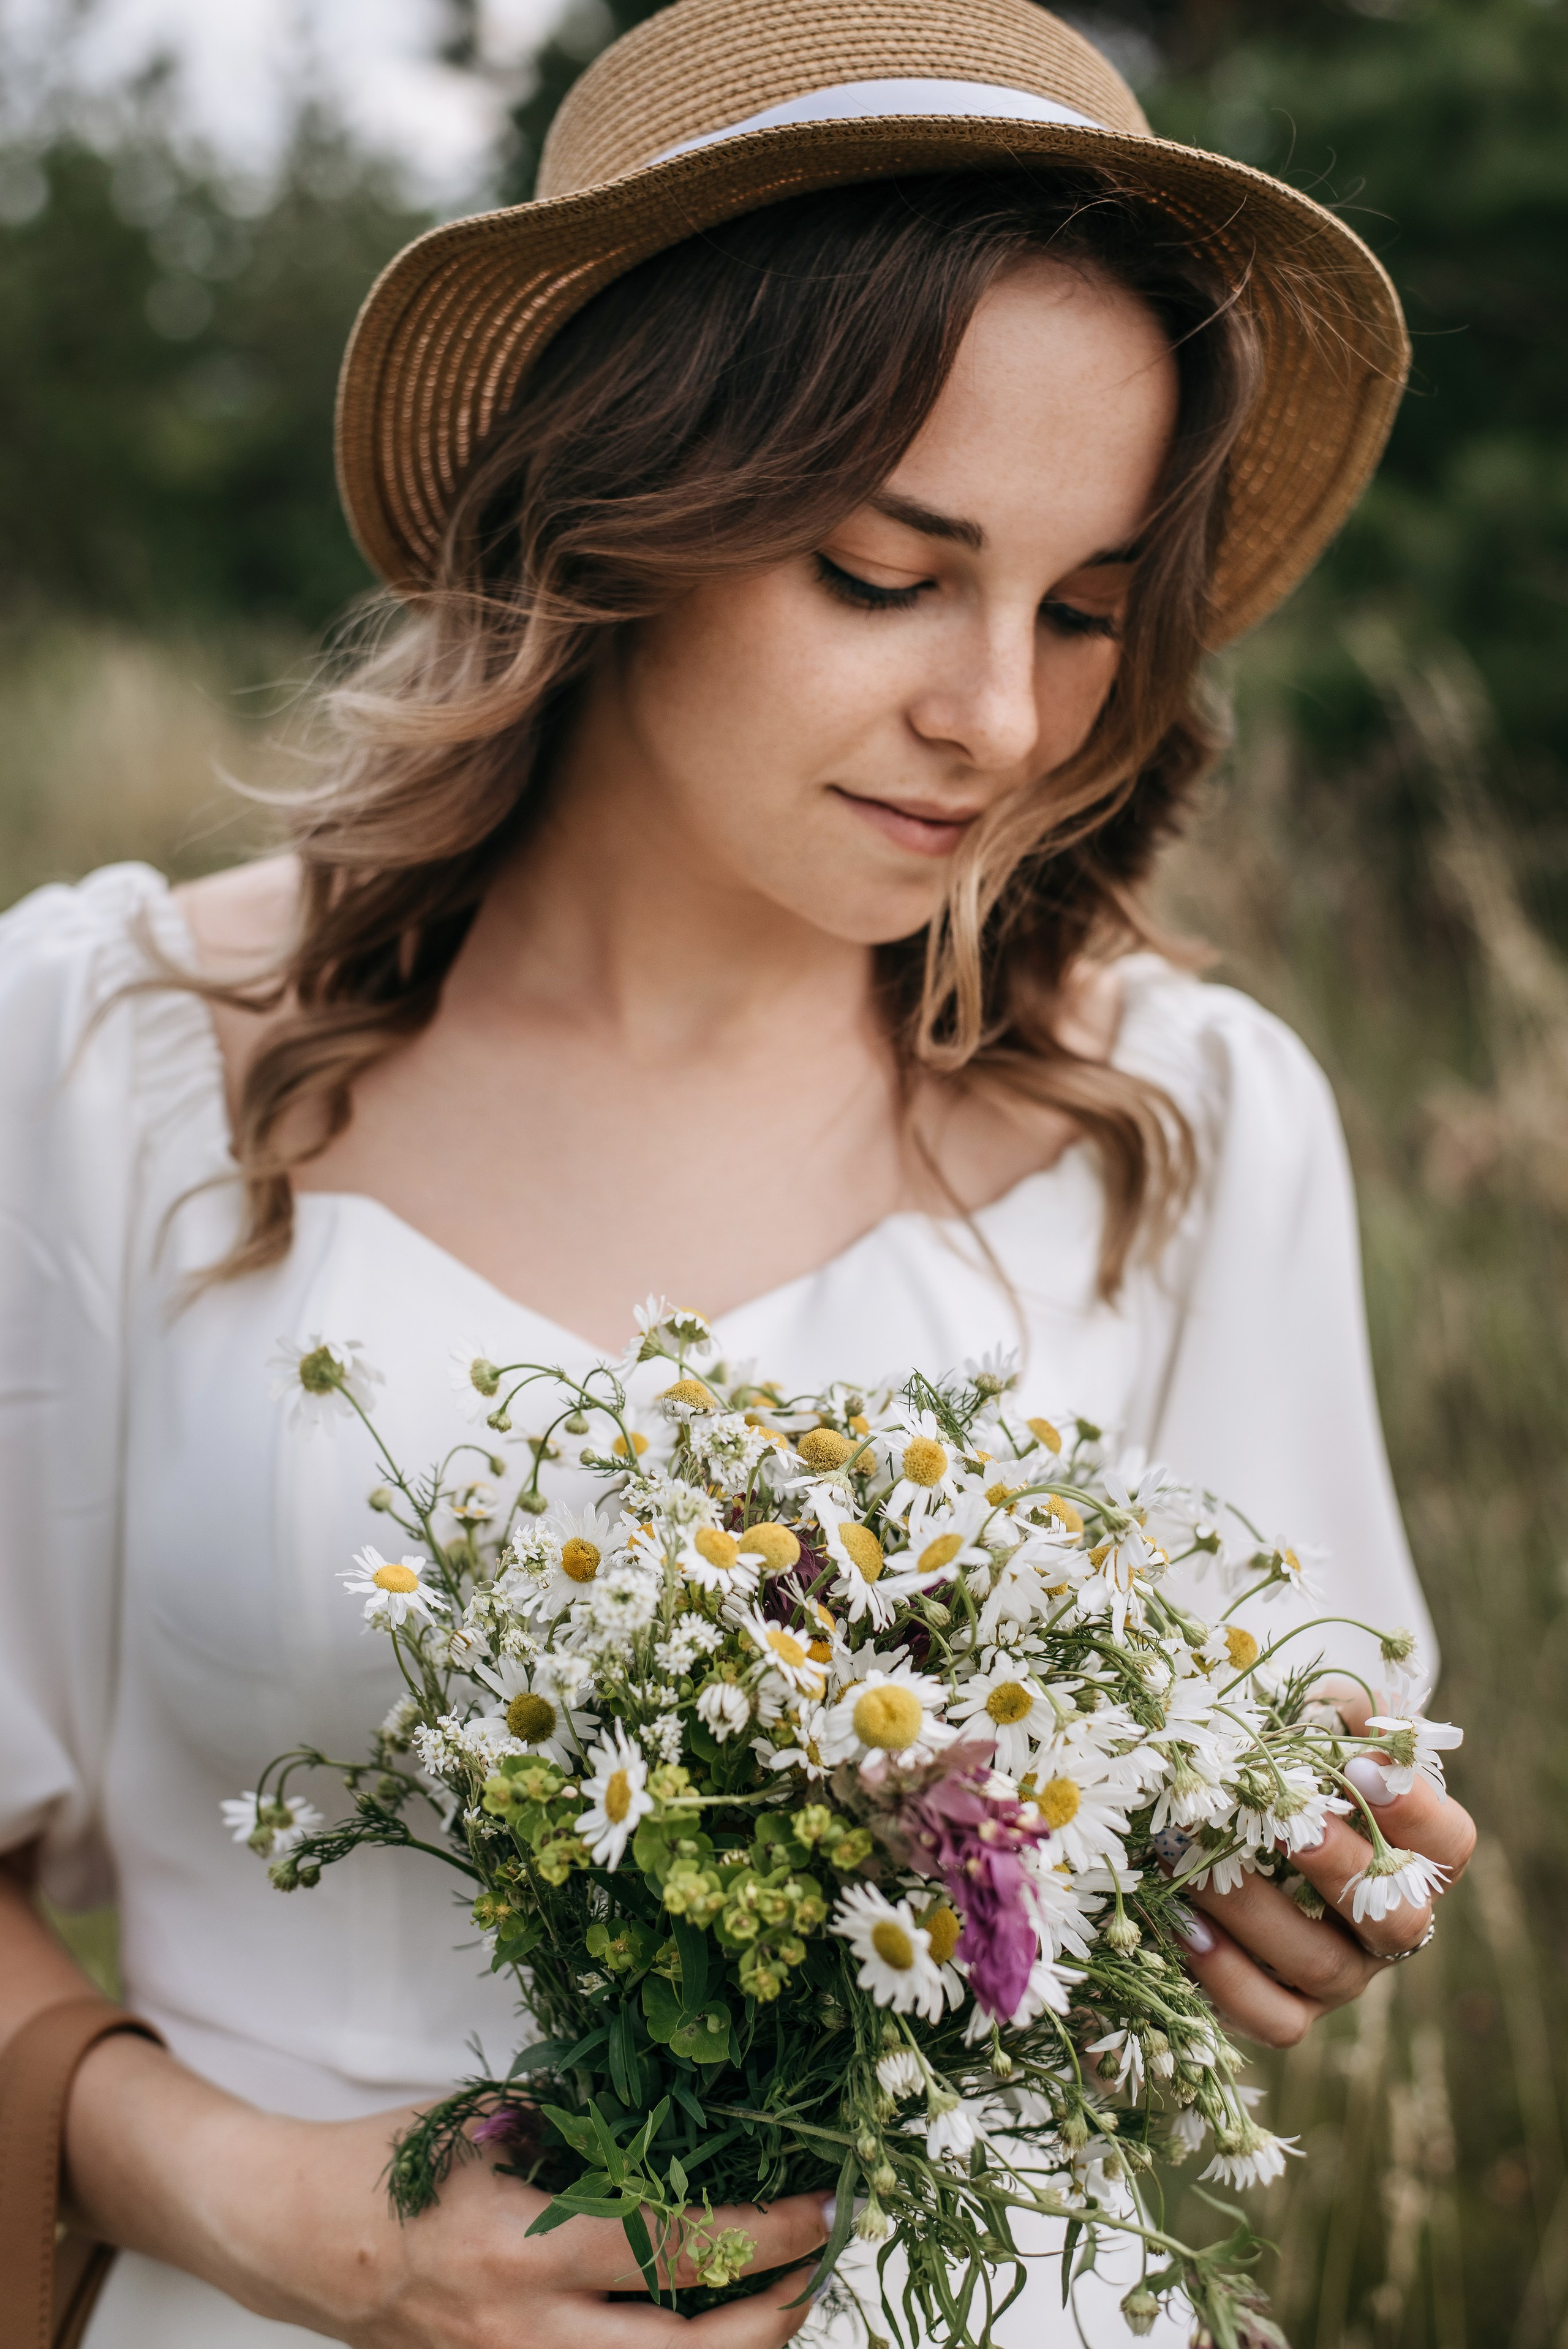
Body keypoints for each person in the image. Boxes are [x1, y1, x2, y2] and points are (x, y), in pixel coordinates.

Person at [0, 1, 1476, 2343]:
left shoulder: (1184, 1122)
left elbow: (1298, 1843)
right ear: (616, 515)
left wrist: (1296, 1892)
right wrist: (307, 2223)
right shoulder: (108, 1066)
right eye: (890, 574)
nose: (1000, 718)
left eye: (1084, 608)